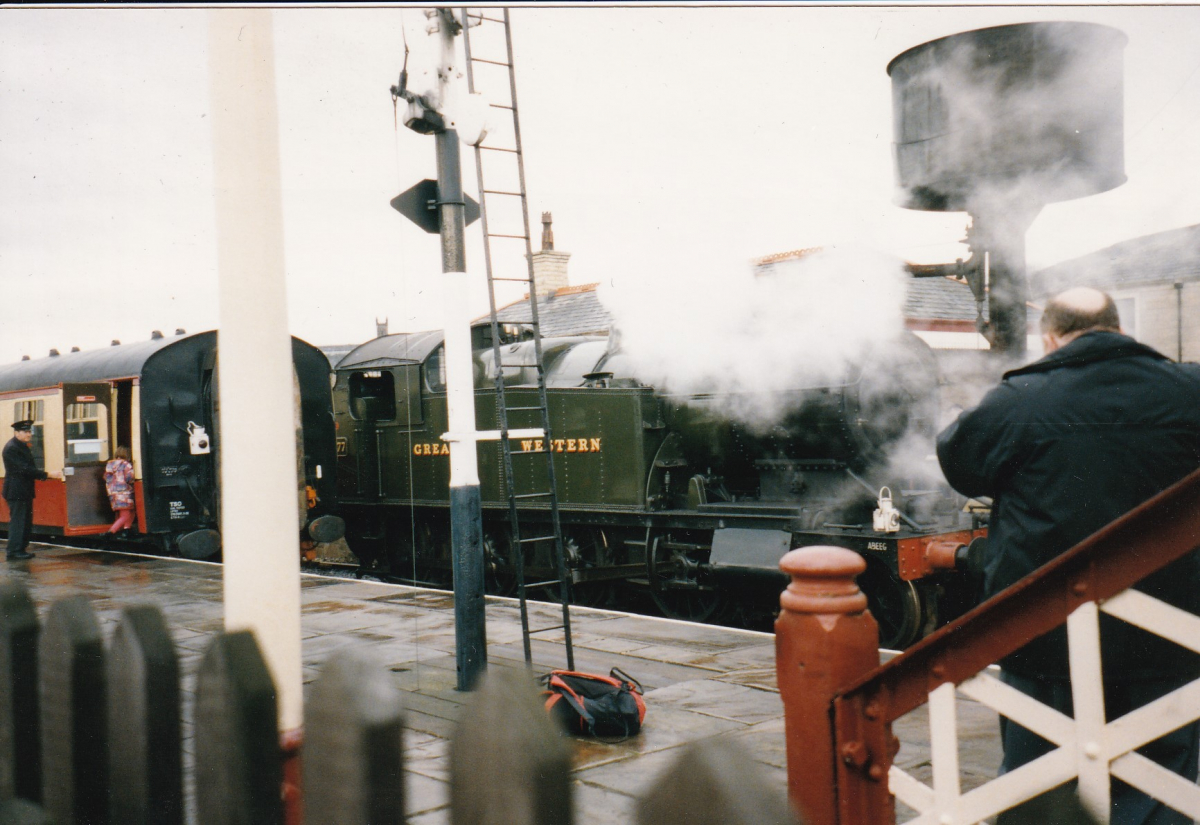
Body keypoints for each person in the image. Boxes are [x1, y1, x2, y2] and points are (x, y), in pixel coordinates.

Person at [937, 286, 1200, 825]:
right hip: (1172, 632)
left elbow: (960, 464)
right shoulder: (1191, 389)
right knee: (1164, 783)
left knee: (1044, 781)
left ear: (1049, 336)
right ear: (1120, 328)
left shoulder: (1019, 399)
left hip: (1047, 636)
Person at [3, 420, 59, 561]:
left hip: (23, 490)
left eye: (29, 431)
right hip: (16, 491)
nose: (29, 434)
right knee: (18, 521)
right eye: (26, 432)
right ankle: (14, 551)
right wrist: (47, 474)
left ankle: (20, 549)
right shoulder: (12, 448)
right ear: (17, 433)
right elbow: (24, 469)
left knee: (25, 521)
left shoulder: (20, 446)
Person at [104, 445, 136, 534]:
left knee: (122, 513)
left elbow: (107, 478)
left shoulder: (110, 464)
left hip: (113, 493)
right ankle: (112, 531)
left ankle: (126, 530)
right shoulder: (126, 465)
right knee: (125, 515)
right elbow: (130, 478)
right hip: (124, 493)